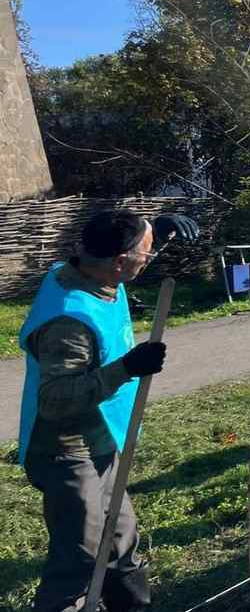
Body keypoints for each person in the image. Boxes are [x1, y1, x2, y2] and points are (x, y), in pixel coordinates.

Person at [18, 209, 198, 612]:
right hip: (68, 451)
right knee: (78, 556)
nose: (148, 259)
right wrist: (127, 369)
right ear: (120, 262)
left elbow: (116, 237)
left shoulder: (89, 267)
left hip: (102, 436)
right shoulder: (69, 320)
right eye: (146, 254)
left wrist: (155, 231)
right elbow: (54, 398)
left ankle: (131, 606)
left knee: (120, 539)